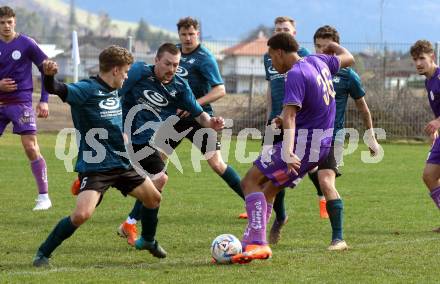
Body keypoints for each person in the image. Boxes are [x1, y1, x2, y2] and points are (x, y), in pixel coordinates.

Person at [33, 45, 165, 267]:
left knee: (153, 198)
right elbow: (56, 88)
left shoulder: (114, 89)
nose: (126, 76)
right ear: (114, 70)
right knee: (81, 215)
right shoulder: (86, 89)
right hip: (96, 167)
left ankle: (149, 241)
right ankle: (43, 253)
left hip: (121, 163)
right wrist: (48, 76)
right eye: (125, 71)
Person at [230, 32, 355, 264]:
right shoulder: (319, 61)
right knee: (269, 190)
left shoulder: (295, 74)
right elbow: (349, 57)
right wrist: (333, 46)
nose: (272, 63)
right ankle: (252, 240)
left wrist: (287, 151)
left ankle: (258, 243)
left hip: (302, 146)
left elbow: (290, 116)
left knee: (249, 181)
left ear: (279, 52)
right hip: (321, 146)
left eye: (271, 58)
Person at [116, 43, 224, 246]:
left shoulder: (180, 87)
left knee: (160, 179)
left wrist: (212, 123)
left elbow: (200, 115)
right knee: (106, 184)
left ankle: (131, 225)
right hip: (121, 135)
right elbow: (115, 92)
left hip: (143, 142)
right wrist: (117, 127)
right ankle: (91, 178)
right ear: (156, 60)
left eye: (176, 65)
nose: (171, 69)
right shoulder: (139, 71)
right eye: (167, 64)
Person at [309, 24, 380, 221]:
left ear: (337, 49)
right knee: (282, 176)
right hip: (308, 134)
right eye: (317, 46)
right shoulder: (308, 70)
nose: (321, 51)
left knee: (325, 179)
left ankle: (337, 232)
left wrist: (371, 137)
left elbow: (363, 109)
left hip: (333, 136)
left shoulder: (348, 75)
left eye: (326, 46)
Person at [254, 16, 312, 245]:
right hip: (275, 122)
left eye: (285, 29)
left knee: (314, 172)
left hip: (296, 122)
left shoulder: (304, 57)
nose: (281, 31)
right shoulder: (268, 57)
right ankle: (279, 217)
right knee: (268, 172)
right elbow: (271, 86)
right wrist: (269, 115)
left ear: (294, 33)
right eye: (277, 29)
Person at [0, 6, 51, 210]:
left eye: (9, 22)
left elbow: (47, 69)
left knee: (30, 147)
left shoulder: (27, 43)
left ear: (15, 22)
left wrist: (44, 99)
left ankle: (44, 197)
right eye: (2, 22)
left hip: (21, 104)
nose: (6, 26)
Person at [410, 40, 440, 233]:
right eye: (415, 59)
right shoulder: (428, 80)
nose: (418, 63)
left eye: (422, 58)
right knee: (429, 176)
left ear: (432, 57)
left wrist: (438, 122)